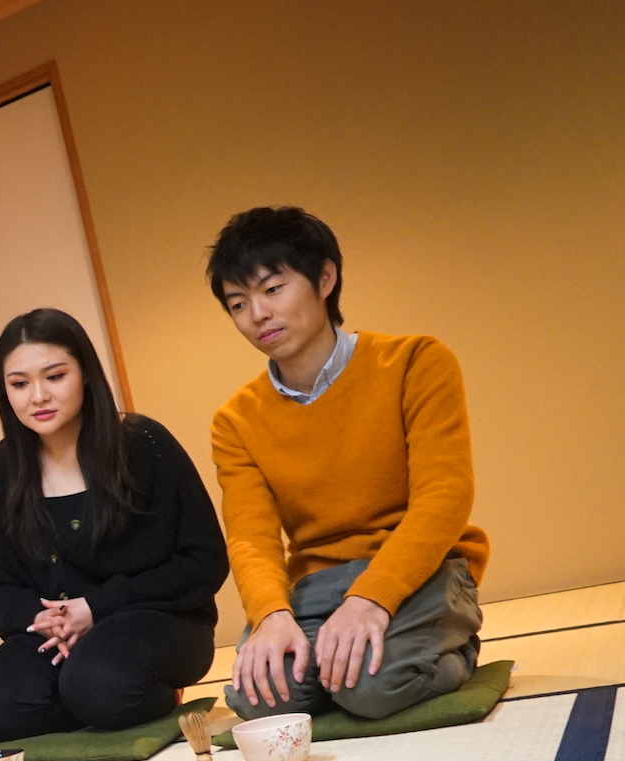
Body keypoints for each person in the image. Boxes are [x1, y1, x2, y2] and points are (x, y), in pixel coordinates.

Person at [207, 206, 487, 720]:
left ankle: (456, 647)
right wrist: (270, 615)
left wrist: (371, 601)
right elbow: (251, 537)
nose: (258, 315)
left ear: (325, 277)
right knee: (262, 699)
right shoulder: (235, 420)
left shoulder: (416, 362)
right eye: (238, 302)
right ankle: (344, 662)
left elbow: (445, 498)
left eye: (273, 289)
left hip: (422, 573)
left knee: (372, 688)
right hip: (315, 589)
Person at [0, 309, 228, 742]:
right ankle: (95, 701)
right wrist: (41, 617)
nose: (37, 397)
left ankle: (117, 694)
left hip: (161, 619)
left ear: (85, 373)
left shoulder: (143, 445)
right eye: (19, 384)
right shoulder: (0, 470)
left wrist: (97, 607)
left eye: (54, 376)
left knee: (99, 682)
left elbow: (203, 561)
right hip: (59, 634)